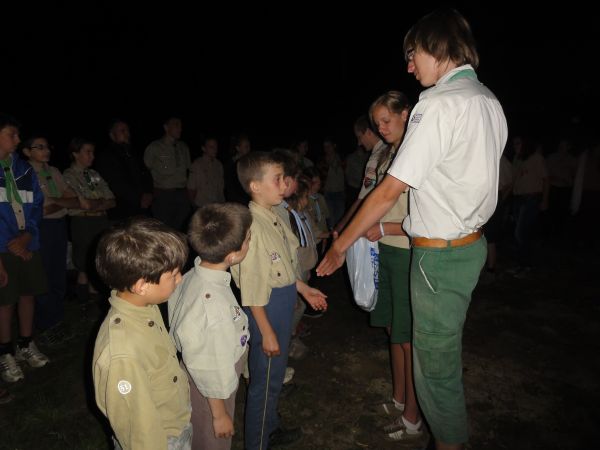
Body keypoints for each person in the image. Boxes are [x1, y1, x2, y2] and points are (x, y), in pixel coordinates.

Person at [317, 9, 508, 450]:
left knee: (436, 370)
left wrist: (341, 245)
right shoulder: (489, 102)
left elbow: (388, 191)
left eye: (412, 54)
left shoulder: (438, 104)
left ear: (438, 47)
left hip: (439, 256)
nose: (409, 66)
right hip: (468, 246)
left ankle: (447, 440)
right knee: (439, 355)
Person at [231, 151, 327, 450]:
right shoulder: (252, 227)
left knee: (273, 376)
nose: (283, 185)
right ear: (255, 186)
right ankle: (258, 442)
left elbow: (281, 265)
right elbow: (252, 286)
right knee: (264, 382)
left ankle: (270, 428)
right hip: (266, 308)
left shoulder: (273, 215)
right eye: (276, 179)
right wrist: (267, 330)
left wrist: (302, 288)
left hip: (282, 299)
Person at [92, 216, 192, 450]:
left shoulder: (145, 305)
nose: (181, 278)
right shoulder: (122, 355)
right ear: (141, 285)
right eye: (174, 274)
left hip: (174, 422)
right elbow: (138, 430)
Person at [363, 91, 423, 442]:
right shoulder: (387, 152)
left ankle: (413, 416)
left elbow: (426, 219)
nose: (382, 127)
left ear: (406, 114)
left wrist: (386, 227)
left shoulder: (418, 152)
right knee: (392, 330)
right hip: (383, 250)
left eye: (387, 119)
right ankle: (400, 398)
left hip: (405, 250)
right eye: (377, 123)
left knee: (408, 338)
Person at [169, 203, 252, 450]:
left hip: (210, 372)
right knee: (212, 441)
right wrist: (219, 414)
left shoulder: (193, 274)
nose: (251, 242)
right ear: (233, 255)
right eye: (248, 239)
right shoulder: (211, 306)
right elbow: (207, 367)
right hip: (211, 389)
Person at [0, 113, 49, 383]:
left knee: (28, 294)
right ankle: (5, 352)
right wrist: (9, 245)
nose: (18, 140)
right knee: (5, 301)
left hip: (27, 243)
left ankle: (25, 344)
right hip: (3, 247)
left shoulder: (24, 170)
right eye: (12, 135)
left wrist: (28, 235)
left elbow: (36, 206)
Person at [22, 135, 80, 345]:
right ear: (27, 152)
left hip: (58, 224)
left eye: (48, 146)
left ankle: (57, 318)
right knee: (44, 272)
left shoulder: (53, 171)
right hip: (41, 227)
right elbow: (42, 209)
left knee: (58, 271)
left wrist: (58, 202)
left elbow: (74, 198)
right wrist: (62, 203)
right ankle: (46, 323)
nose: (46, 151)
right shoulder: (26, 172)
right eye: (40, 147)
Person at [63, 138, 115, 304]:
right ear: (75, 154)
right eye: (88, 152)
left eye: (93, 152)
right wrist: (100, 203)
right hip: (82, 221)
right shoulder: (67, 176)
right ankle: (85, 301)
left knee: (97, 260)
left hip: (100, 221)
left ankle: (92, 300)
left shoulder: (94, 174)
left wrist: (94, 204)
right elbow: (80, 204)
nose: (92, 156)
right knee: (83, 262)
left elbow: (112, 200)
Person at [334, 115, 388, 233]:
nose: (359, 143)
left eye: (360, 137)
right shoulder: (389, 149)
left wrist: (340, 227)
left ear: (368, 132)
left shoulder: (376, 158)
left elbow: (363, 198)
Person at [94, 119, 153, 222]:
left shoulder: (133, 153)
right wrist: (139, 198)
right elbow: (115, 183)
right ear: (112, 135)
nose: (127, 134)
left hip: (142, 208)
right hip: (122, 209)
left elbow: (146, 174)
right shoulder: (107, 156)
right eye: (122, 131)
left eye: (127, 130)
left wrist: (148, 192)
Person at [144, 116, 191, 231]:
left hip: (181, 195)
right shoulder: (155, 147)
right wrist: (148, 193)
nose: (179, 128)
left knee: (181, 229)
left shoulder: (183, 147)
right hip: (163, 196)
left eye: (180, 126)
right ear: (166, 127)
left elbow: (188, 170)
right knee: (164, 230)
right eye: (176, 125)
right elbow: (145, 171)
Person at [187, 136, 225, 209]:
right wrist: (194, 205)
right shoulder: (197, 164)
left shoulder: (219, 165)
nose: (215, 149)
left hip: (218, 205)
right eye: (211, 147)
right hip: (202, 206)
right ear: (203, 148)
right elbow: (191, 188)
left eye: (216, 146)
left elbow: (221, 187)